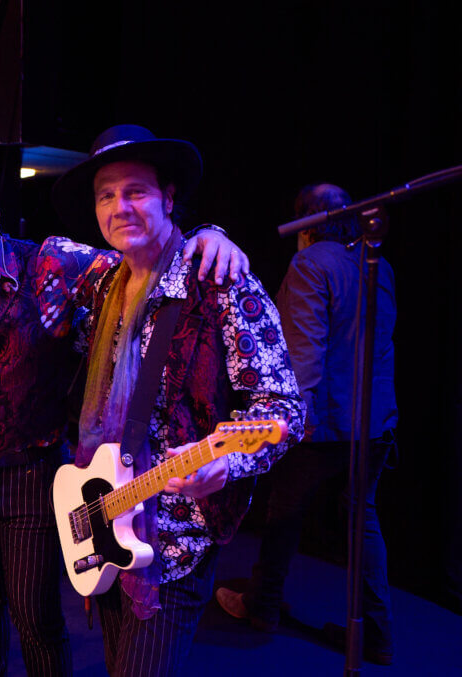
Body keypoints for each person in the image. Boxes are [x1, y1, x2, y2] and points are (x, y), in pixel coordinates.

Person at [0, 164, 250, 676]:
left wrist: (207, 235)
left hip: (31, 474)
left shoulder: (48, 263)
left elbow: (136, 262)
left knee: (35, 618)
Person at [50, 124, 305, 676]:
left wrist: (228, 461)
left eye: (136, 191)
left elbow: (284, 408)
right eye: (106, 195)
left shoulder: (218, 280)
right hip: (108, 519)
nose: (121, 206)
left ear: (169, 197)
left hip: (174, 545)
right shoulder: (102, 286)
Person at [215, 183, 397, 665]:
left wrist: (300, 418)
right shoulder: (378, 266)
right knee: (363, 522)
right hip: (374, 424)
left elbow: (304, 352)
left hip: (324, 422)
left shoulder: (310, 264)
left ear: (305, 223)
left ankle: (263, 607)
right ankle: (378, 636)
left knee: (283, 514)